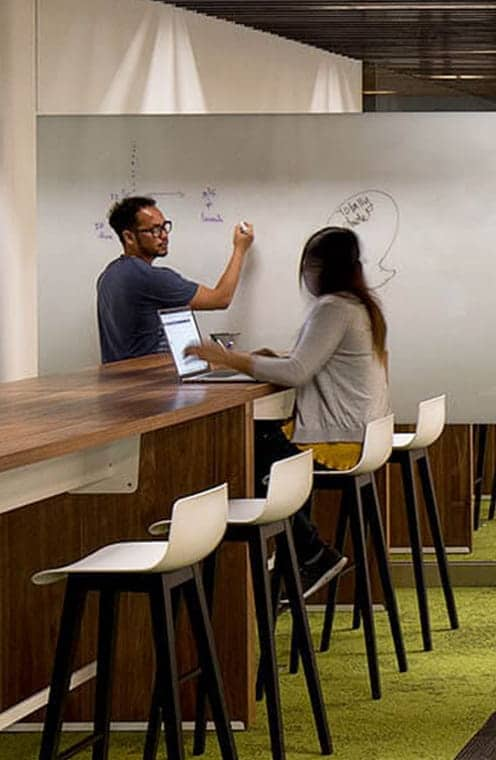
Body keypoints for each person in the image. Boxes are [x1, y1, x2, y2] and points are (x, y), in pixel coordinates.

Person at [186, 226, 391, 598]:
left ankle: (308, 552)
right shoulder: (359, 306)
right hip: (360, 436)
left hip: (338, 443)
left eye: (309, 266)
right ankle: (297, 554)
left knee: (254, 446)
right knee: (264, 446)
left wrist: (229, 358)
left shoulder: (333, 308)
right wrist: (264, 359)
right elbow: (310, 361)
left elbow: (298, 372)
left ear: (321, 268)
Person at [97, 196, 254, 363]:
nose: (164, 235)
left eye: (165, 227)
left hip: (121, 383)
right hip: (151, 382)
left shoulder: (107, 276)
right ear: (129, 237)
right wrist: (240, 248)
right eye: (154, 230)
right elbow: (221, 298)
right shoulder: (147, 277)